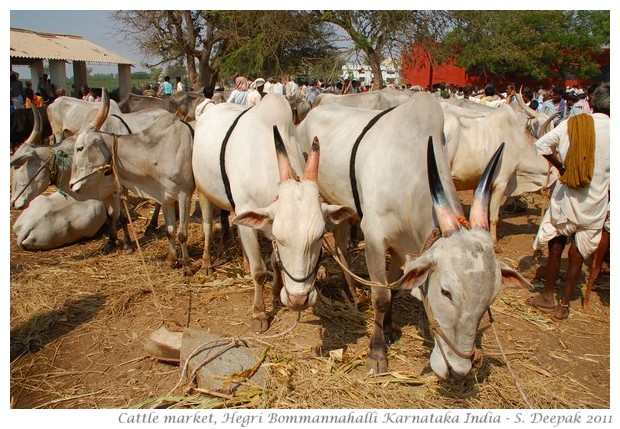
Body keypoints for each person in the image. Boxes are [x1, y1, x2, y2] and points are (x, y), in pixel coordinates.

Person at [527, 83, 610, 320]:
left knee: (556, 245)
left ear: (592, 103)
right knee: (579, 253)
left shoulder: (573, 124)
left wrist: (563, 168)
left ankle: (547, 295)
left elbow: (541, 145)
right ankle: (564, 305)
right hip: (595, 202)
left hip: (568, 197)